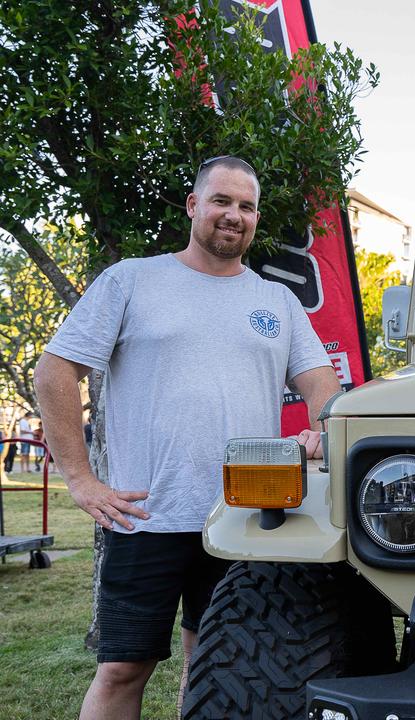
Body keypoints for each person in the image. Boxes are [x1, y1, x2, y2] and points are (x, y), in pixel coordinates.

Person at [34, 155, 339, 720]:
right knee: (123, 668)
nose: (234, 216)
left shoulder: (276, 301)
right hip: (147, 513)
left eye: (246, 206)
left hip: (246, 518)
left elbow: (322, 382)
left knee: (216, 661)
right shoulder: (132, 279)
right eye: (221, 201)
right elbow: (55, 371)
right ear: (194, 206)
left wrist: (321, 430)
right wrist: (79, 478)